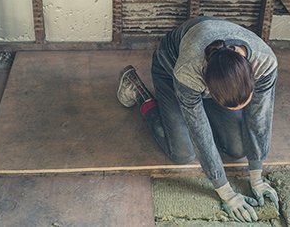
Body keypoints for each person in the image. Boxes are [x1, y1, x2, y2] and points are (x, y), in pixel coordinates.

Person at [116, 16, 279, 222]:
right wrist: (226, 192)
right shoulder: (189, 71)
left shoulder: (265, 62)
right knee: (183, 153)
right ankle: (138, 90)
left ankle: (210, 105)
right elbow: (199, 131)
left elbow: (259, 119)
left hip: (214, 80)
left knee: (239, 149)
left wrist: (257, 176)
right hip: (170, 69)